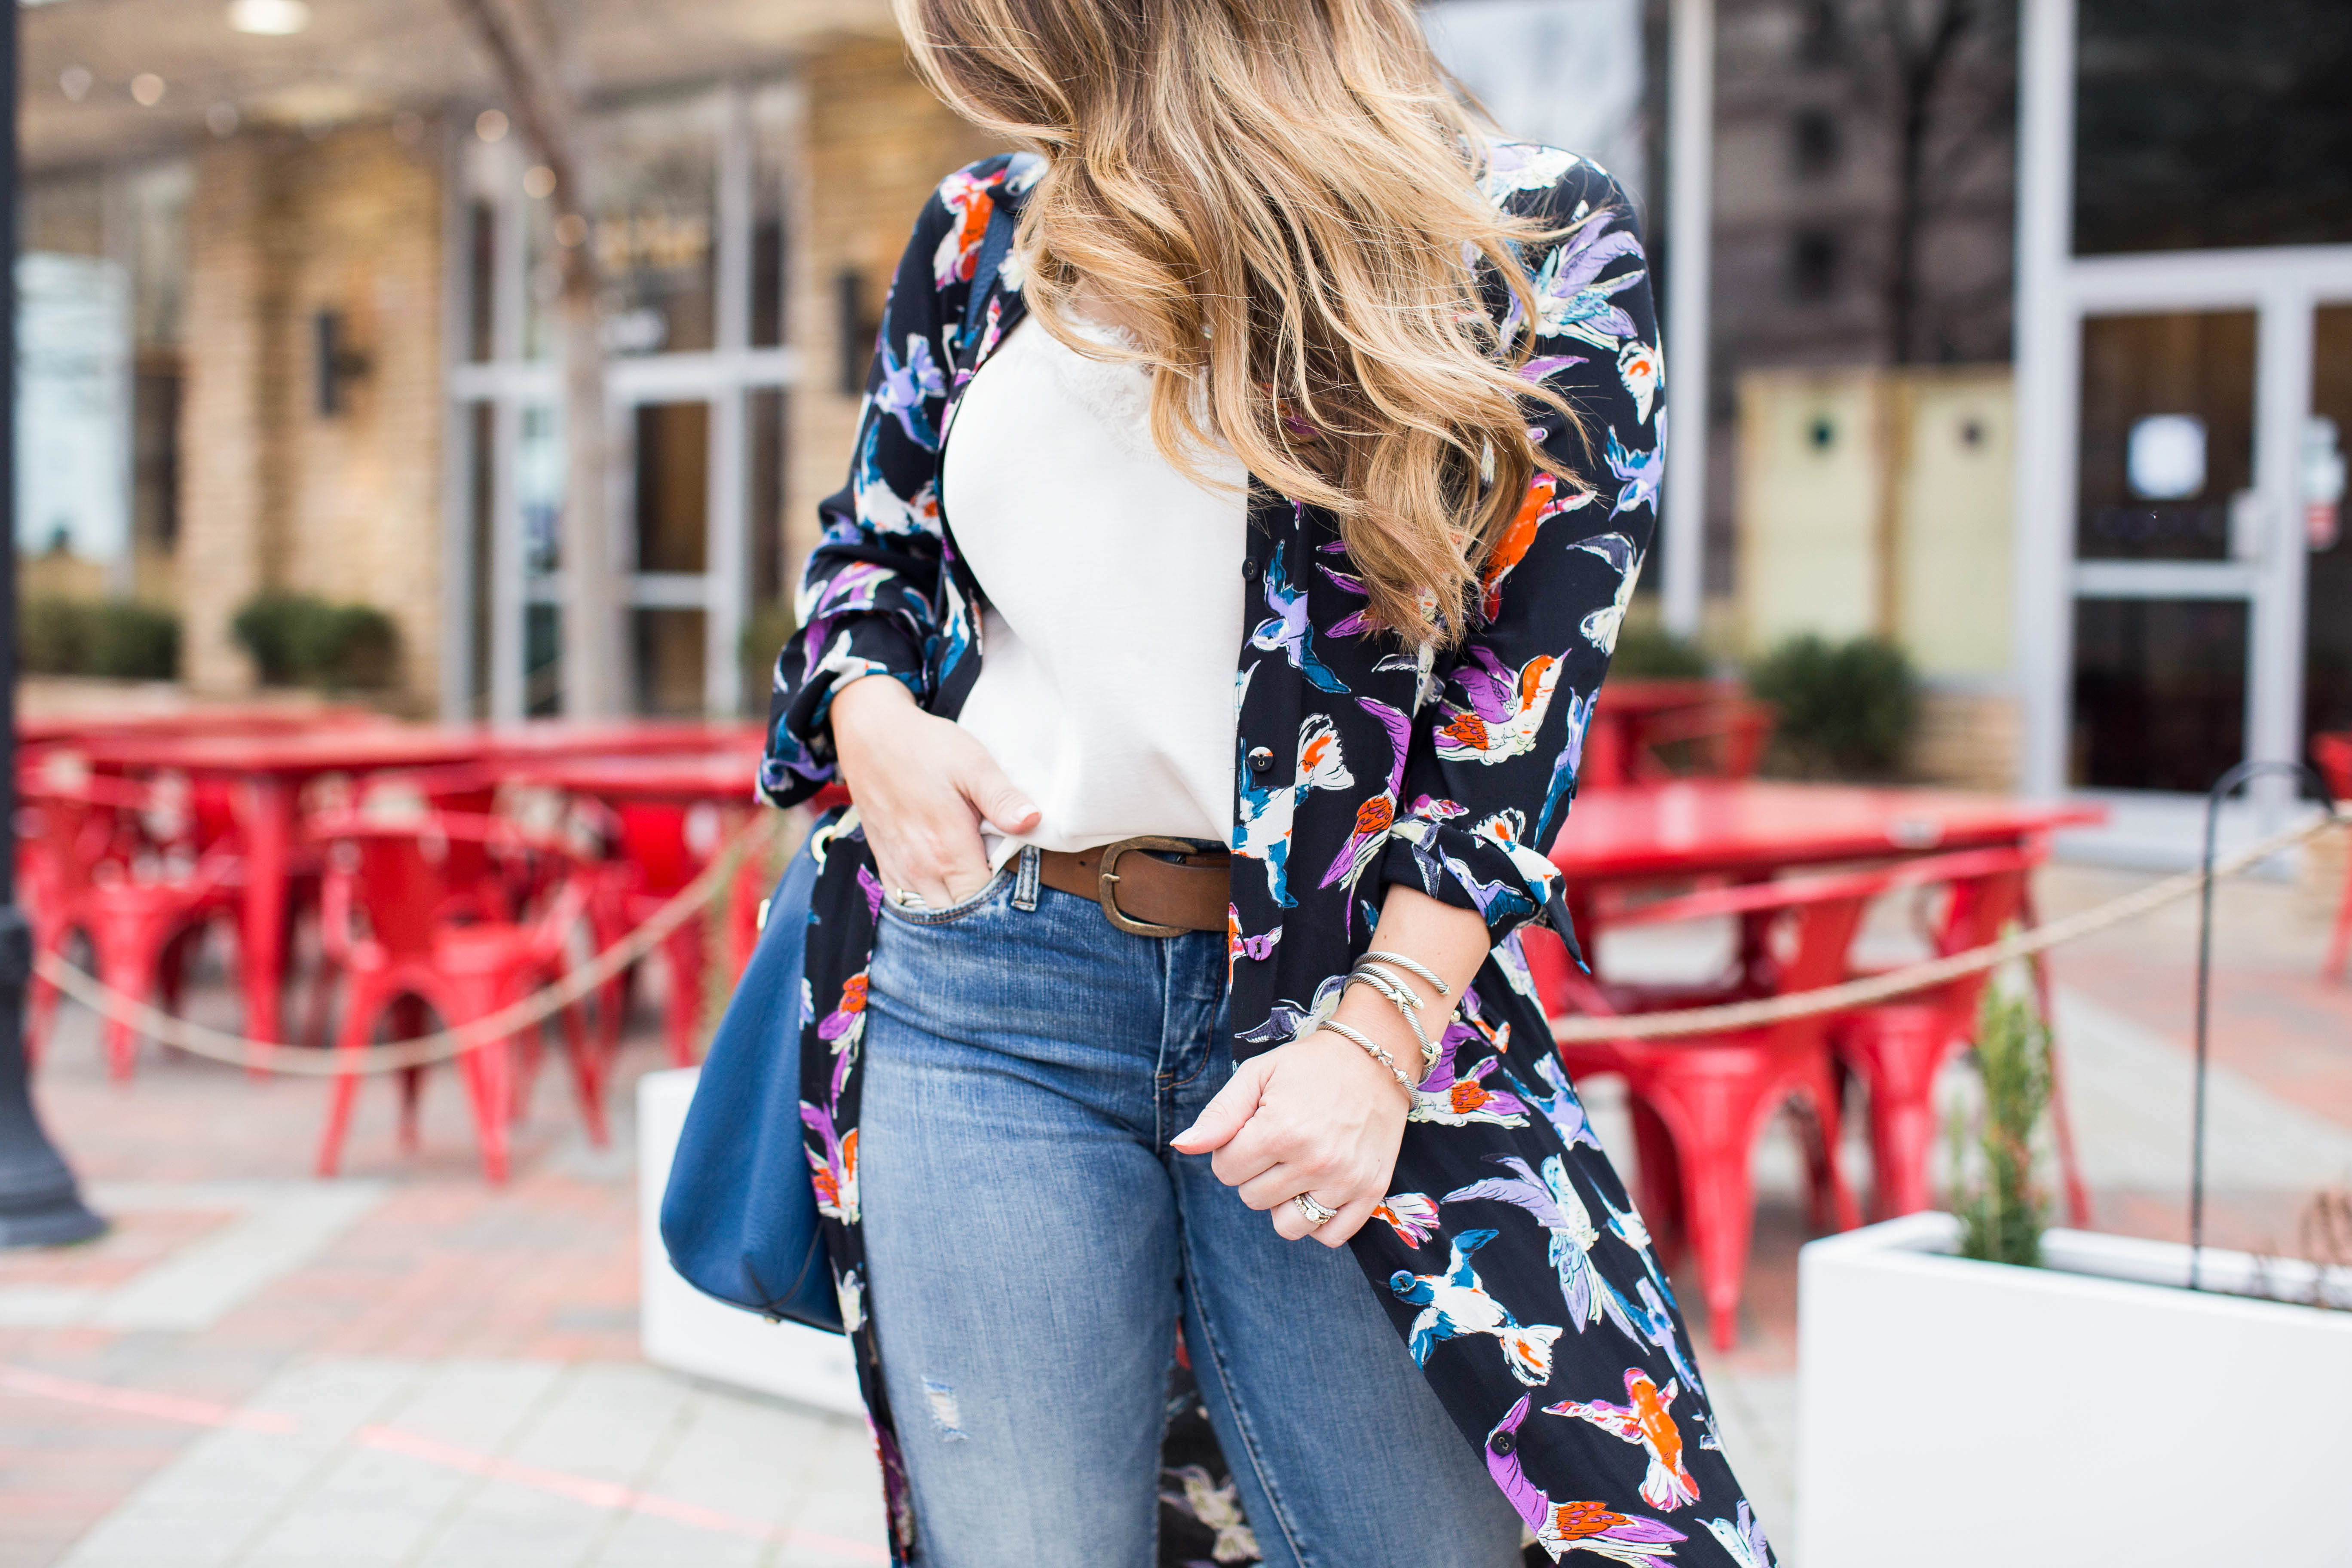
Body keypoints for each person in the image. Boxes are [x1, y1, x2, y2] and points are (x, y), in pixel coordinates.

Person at [756, 0, 1769, 1564]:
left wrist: (1375, 1042)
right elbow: (868, 550)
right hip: (987, 989)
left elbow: (1516, 725)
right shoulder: (985, 232)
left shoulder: (1525, 239)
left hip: (1338, 1010)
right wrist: (873, 712)